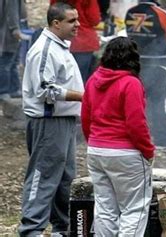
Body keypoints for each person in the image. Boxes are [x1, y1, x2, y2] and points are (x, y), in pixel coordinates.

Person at [19, 2, 84, 236]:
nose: (78, 24)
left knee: (65, 177)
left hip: (64, 120)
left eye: (77, 19)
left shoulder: (60, 46)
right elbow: (45, 90)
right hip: (48, 122)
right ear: (56, 23)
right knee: (43, 175)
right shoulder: (44, 49)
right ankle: (31, 229)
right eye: (71, 21)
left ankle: (61, 227)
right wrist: (83, 97)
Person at [81, 36, 155, 236]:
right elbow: (136, 123)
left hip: (97, 150)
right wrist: (148, 150)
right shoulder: (131, 83)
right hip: (126, 152)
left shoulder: (93, 80)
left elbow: (85, 118)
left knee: (105, 208)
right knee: (134, 209)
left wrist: (95, 143)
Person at [125, 0, 166, 146]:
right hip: (158, 63)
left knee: (136, 101)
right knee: (159, 102)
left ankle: (133, 137)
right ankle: (162, 138)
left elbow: (129, 34)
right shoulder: (160, 13)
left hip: (135, 62)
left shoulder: (130, 11)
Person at [51, 0, 101, 83]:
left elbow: (52, 16)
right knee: (81, 82)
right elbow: (94, 19)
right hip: (83, 42)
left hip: (61, 39)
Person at [0, 0, 22, 100]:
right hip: (8, 32)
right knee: (7, 62)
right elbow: (12, 11)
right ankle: (4, 91)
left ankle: (14, 89)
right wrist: (15, 28)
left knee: (13, 62)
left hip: (8, 31)